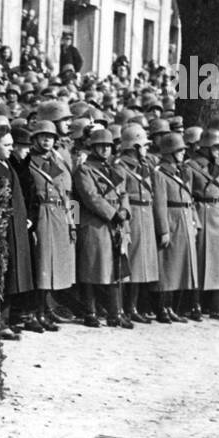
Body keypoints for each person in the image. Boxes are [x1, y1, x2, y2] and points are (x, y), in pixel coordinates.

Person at [0, 122, 36, 337]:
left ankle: (4, 320)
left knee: (11, 276)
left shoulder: (6, 164)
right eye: (7, 144)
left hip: (15, 227)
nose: (12, 148)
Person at [72, 128, 131, 327]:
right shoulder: (84, 169)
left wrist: (124, 211)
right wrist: (113, 214)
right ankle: (90, 312)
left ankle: (115, 313)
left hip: (115, 222)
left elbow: (124, 193)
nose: (105, 150)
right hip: (95, 223)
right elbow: (90, 197)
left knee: (116, 267)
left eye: (108, 146)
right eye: (100, 146)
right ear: (93, 147)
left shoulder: (116, 169)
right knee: (92, 268)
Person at [25, 120, 75, 328]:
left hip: (60, 214)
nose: (47, 140)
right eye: (43, 136)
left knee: (55, 265)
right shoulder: (30, 161)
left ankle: (48, 308)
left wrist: (73, 222)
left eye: (51, 137)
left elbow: (67, 193)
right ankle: (38, 311)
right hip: (42, 212)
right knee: (43, 263)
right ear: (35, 139)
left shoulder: (58, 161)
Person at [187, 128, 219, 320]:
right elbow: (188, 194)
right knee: (198, 262)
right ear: (205, 147)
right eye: (215, 147)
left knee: (218, 263)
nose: (218, 150)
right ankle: (195, 305)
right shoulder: (190, 167)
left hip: (216, 216)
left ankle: (217, 305)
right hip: (200, 213)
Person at [151, 132, 199, 322]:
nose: (182, 154)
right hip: (172, 220)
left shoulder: (180, 171)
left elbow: (190, 199)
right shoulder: (159, 174)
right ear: (169, 152)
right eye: (179, 150)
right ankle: (163, 308)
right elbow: (160, 204)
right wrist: (163, 229)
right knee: (168, 266)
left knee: (179, 266)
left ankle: (172, 308)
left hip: (184, 218)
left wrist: (195, 222)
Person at [116, 124, 158, 322]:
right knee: (132, 264)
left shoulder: (144, 166)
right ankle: (128, 307)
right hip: (132, 216)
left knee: (142, 264)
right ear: (134, 147)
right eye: (144, 146)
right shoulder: (120, 167)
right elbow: (119, 195)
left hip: (146, 215)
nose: (147, 150)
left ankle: (135, 306)